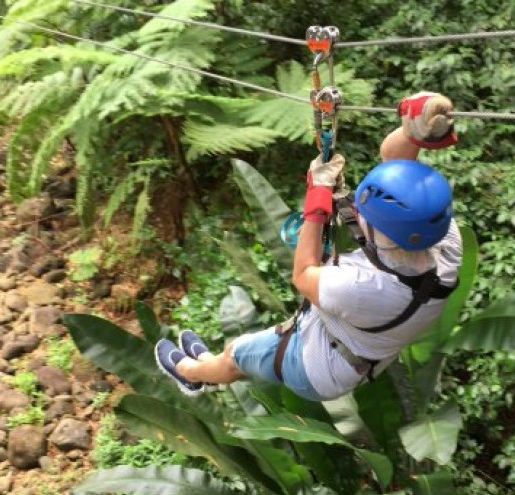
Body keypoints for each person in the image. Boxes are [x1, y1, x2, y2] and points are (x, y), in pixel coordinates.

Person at [155, 92, 463, 401]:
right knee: (248, 350)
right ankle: (205, 369)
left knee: (235, 355)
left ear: (378, 232)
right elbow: (394, 158)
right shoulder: (444, 245)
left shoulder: (363, 287)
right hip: (355, 342)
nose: (356, 211)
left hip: (316, 365)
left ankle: (192, 374)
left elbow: (303, 275)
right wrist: (418, 131)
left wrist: (317, 199)